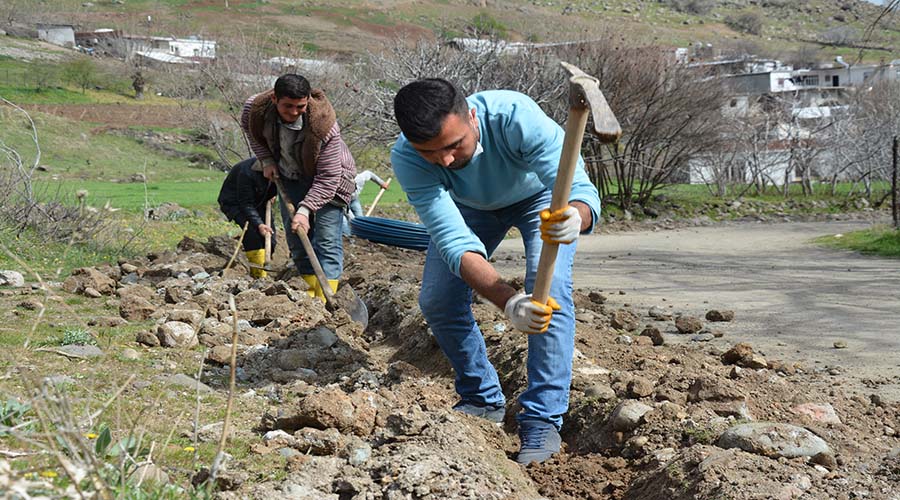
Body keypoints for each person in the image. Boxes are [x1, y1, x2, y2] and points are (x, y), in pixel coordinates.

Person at [390, 79, 601, 465]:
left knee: (549, 289)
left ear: (472, 116)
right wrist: (509, 300)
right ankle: (481, 396)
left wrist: (576, 215)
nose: (447, 161)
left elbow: (580, 189)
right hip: (468, 207)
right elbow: (455, 244)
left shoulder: (514, 117)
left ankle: (541, 418)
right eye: (431, 152)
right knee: (437, 299)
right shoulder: (406, 158)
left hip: (541, 197)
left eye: (455, 145)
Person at [241, 74, 357, 300]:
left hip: (332, 182)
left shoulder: (324, 125)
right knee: (297, 239)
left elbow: (329, 177)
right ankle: (312, 293)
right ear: (274, 99)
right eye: (288, 106)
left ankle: (326, 300)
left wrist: (305, 210)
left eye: (300, 106)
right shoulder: (255, 110)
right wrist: (266, 159)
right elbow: (251, 132)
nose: (294, 112)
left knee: (325, 240)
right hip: (291, 176)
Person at [217, 158, 276, 278]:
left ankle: (265, 263)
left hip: (260, 201)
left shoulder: (281, 170)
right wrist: (259, 224)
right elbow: (246, 204)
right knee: (252, 234)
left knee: (271, 237)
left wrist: (271, 193)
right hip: (235, 203)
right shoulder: (247, 173)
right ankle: (258, 275)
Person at [343, 170, 390, 235]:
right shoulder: (340, 188)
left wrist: (381, 183)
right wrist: (353, 221)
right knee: (344, 222)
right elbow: (346, 210)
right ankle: (348, 237)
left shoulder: (360, 178)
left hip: (354, 200)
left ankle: (361, 235)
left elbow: (369, 173)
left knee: (360, 218)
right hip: (343, 203)